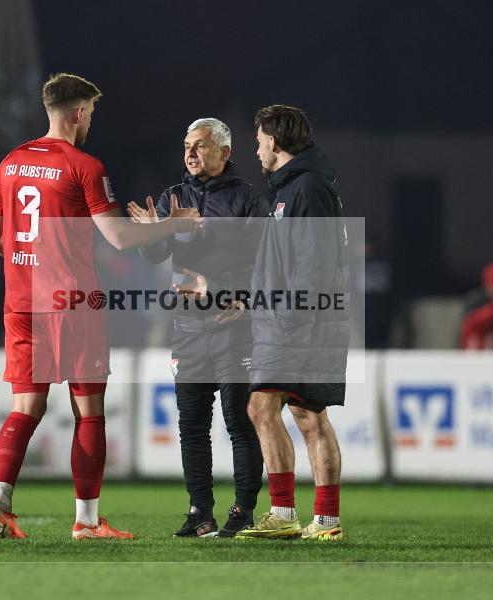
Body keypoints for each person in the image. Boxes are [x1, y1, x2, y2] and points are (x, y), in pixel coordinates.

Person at [0, 73, 200, 540]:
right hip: (73, 304)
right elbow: (119, 237)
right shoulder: (84, 165)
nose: (91, 122)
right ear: (79, 112)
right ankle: (85, 521)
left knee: (25, 407)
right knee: (89, 410)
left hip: (22, 304)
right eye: (92, 113)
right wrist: (171, 225)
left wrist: (32, 265)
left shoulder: (10, 162)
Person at [128, 118, 267, 538]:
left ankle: (242, 511)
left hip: (233, 324)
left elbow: (267, 260)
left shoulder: (247, 199)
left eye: (201, 145)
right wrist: (152, 235)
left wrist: (230, 292)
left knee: (238, 421)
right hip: (187, 327)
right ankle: (199, 513)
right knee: (192, 423)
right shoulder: (174, 197)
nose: (190, 153)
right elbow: (155, 256)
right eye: (187, 145)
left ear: (225, 153)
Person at [235, 105, 350, 542]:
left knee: (263, 407)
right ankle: (319, 519)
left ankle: (290, 515)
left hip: (300, 321)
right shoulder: (294, 188)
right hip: (297, 319)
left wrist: (286, 314)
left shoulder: (306, 188)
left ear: (276, 142)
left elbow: (314, 265)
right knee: (307, 414)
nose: (257, 147)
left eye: (260, 139)